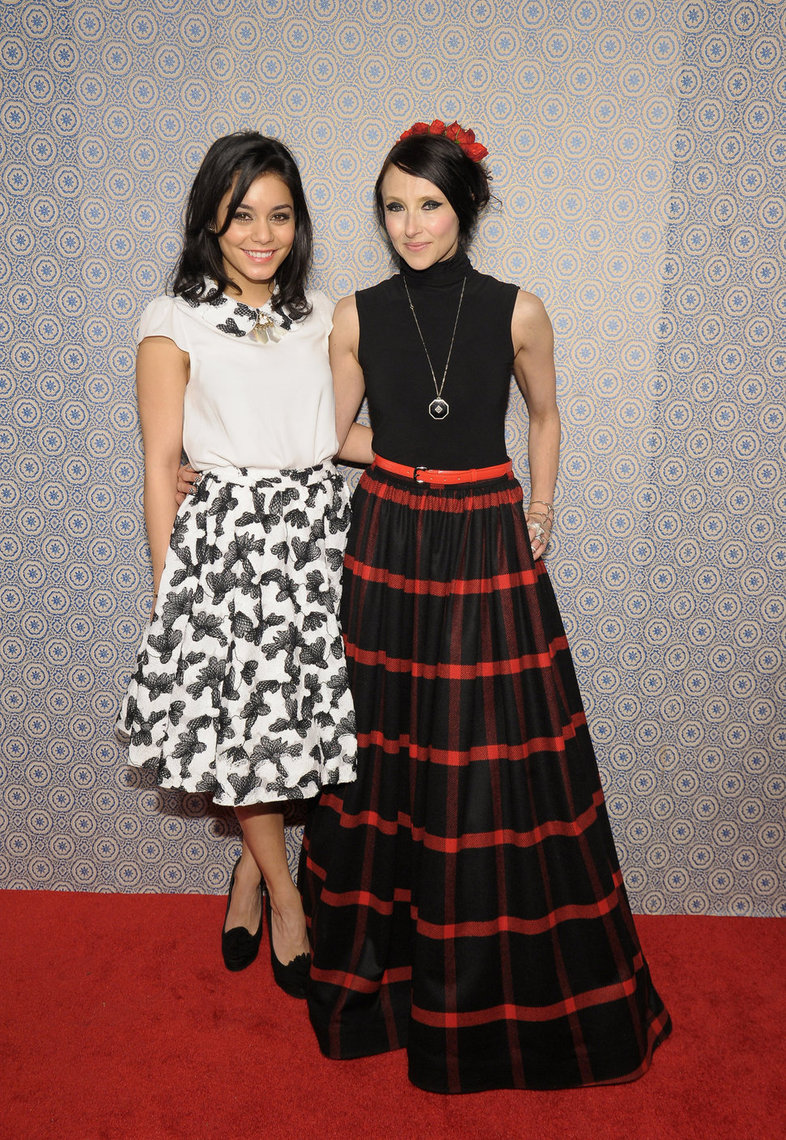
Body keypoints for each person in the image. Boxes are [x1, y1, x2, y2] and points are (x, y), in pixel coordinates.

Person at [299, 120, 672, 1092]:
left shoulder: (519, 310)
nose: (410, 224)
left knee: (488, 752)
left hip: (485, 538)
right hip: (388, 536)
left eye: (428, 203)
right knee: (385, 745)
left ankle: (483, 983)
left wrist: (541, 507)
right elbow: (330, 434)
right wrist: (404, 459)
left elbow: (544, 415)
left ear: (464, 206)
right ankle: (383, 979)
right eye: (393, 206)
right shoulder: (355, 315)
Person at [116, 132, 360, 997]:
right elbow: (161, 462)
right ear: (210, 222)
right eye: (242, 216)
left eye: (280, 216)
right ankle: (287, 899)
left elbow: (337, 436)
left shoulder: (322, 314)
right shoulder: (172, 319)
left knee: (303, 722)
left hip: (318, 537)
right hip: (226, 548)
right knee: (249, 728)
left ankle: (248, 874)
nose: (263, 235)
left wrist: (451, 454)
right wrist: (167, 589)